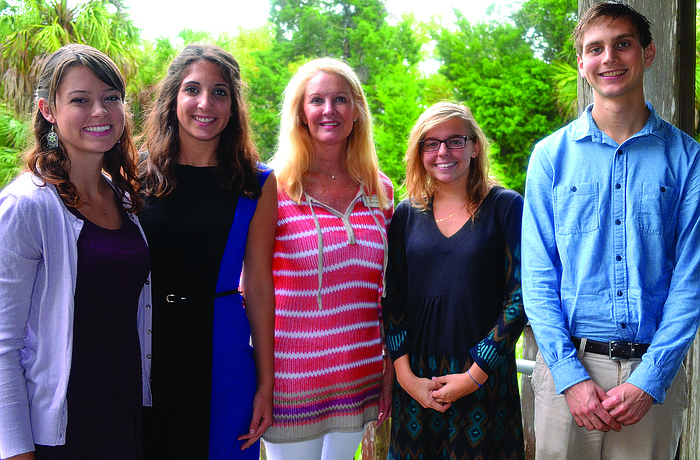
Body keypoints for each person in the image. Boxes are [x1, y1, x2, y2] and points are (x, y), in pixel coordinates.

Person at [521, 2, 700, 459]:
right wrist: (569, 375)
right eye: (595, 48)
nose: (610, 58)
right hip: (569, 373)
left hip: (651, 379)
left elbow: (691, 280)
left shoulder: (688, 160)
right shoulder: (549, 157)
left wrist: (650, 379)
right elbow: (538, 277)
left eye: (623, 44)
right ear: (582, 64)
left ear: (649, 53)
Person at [0, 44, 150, 460]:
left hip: (122, 406)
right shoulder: (26, 205)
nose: (100, 112)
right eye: (81, 100)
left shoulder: (123, 198)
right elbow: (2, 344)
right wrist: (15, 451)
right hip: (61, 424)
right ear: (49, 110)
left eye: (111, 99)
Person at [138, 44, 276, 459]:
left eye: (219, 92)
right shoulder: (133, 173)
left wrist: (266, 381)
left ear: (233, 106)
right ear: (172, 98)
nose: (205, 103)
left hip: (226, 353)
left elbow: (258, 282)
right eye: (192, 89)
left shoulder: (257, 182)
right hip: (145, 346)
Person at [262, 57, 394, 460]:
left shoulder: (380, 189)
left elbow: (389, 289)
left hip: (358, 375)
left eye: (340, 99)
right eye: (316, 100)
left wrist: (387, 364)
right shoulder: (273, 187)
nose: (329, 110)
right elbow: (249, 284)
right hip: (290, 380)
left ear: (357, 111)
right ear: (301, 113)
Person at [382, 101, 526, 460]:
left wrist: (475, 375)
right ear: (420, 153)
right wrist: (405, 377)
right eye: (431, 143)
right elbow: (393, 298)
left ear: (475, 146)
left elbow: (520, 296)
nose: (443, 151)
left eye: (455, 141)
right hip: (418, 388)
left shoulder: (506, 207)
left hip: (484, 385)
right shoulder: (406, 214)